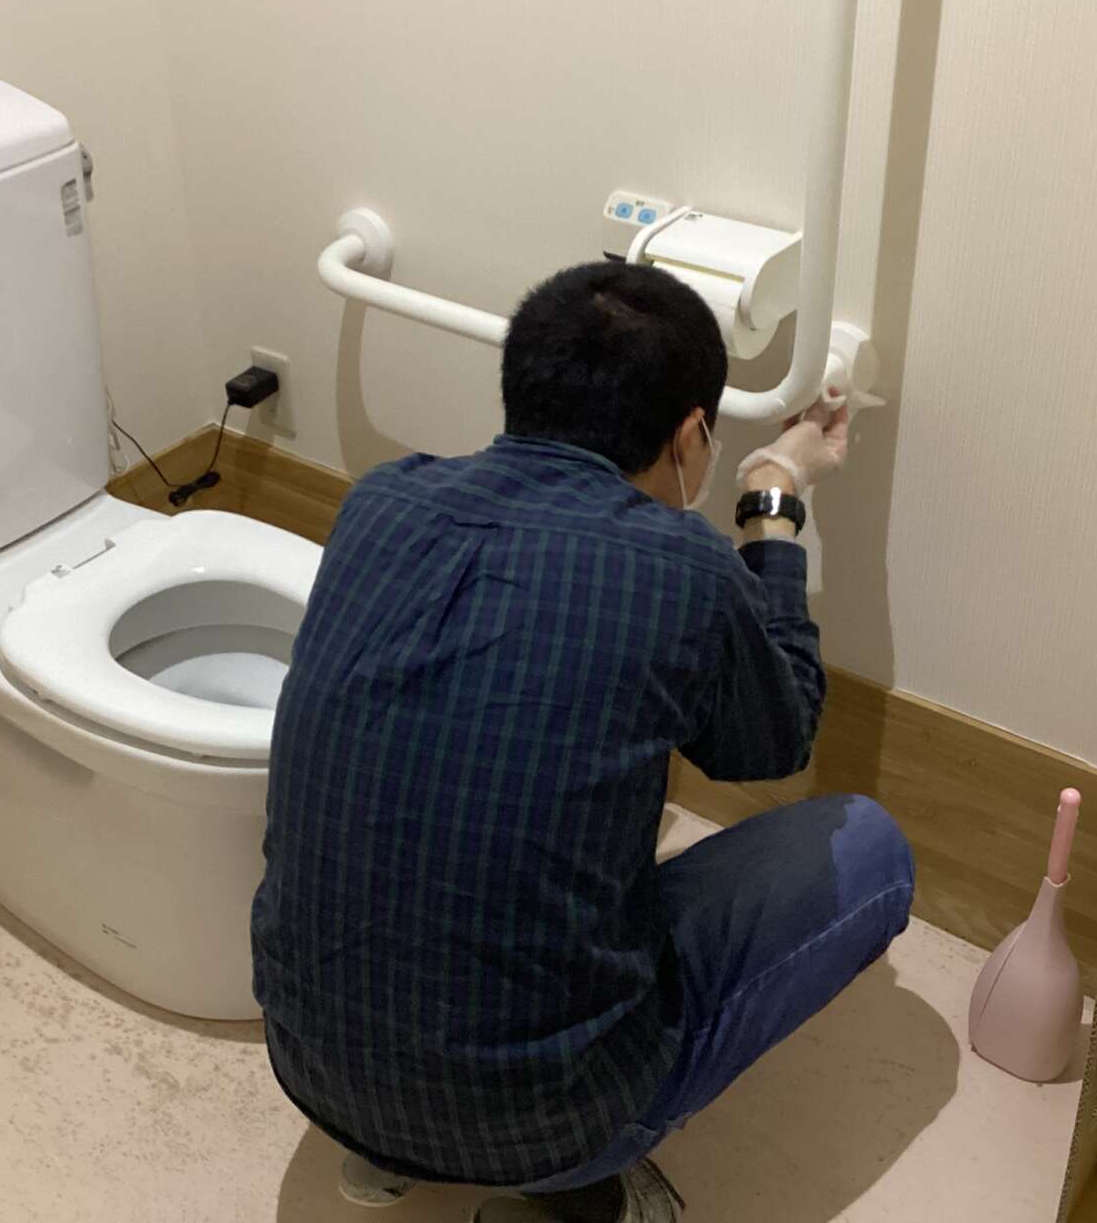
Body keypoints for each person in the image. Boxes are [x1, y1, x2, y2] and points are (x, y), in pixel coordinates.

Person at [252, 262, 914, 1223]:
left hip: (308, 1060)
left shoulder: (380, 503)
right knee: (873, 851)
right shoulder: (680, 569)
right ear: (691, 437)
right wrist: (774, 493)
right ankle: (568, 1174)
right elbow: (776, 741)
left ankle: (386, 1142)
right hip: (545, 1119)